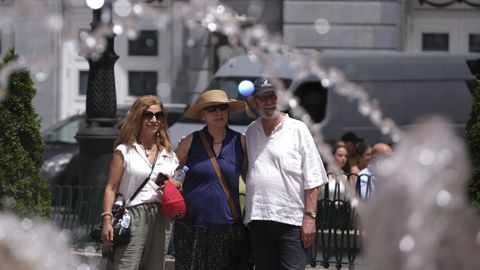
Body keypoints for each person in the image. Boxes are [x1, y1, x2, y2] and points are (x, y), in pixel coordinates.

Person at [244, 78, 328, 270]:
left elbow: (313, 178)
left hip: (291, 220)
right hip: (258, 218)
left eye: (272, 96)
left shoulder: (298, 129)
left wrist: (310, 217)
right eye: (263, 98)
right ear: (255, 102)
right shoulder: (251, 131)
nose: (268, 102)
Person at [174, 89, 251, 270]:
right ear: (203, 115)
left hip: (226, 228)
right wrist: (175, 183)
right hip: (191, 227)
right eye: (212, 109)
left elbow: (250, 179)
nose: (218, 112)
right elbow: (177, 172)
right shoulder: (190, 141)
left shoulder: (240, 142)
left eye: (223, 108)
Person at [101, 95, 179, 270]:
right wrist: (107, 220)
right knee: (126, 265)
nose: (154, 120)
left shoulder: (168, 152)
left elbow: (176, 182)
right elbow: (111, 188)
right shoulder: (124, 150)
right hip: (133, 215)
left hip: (161, 216)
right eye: (148, 115)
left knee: (156, 266)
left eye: (159, 116)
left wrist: (174, 184)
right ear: (137, 117)